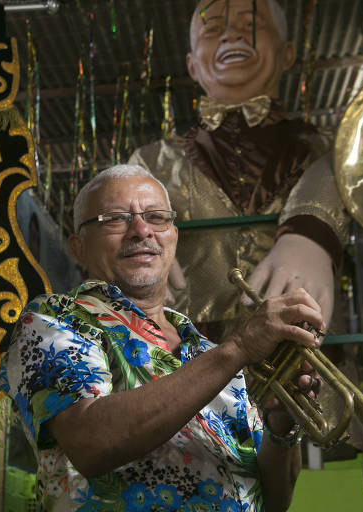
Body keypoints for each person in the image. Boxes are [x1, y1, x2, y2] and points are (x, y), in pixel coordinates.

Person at [0, 164, 325, 511]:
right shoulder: (52, 320)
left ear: (173, 236)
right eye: (114, 218)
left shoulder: (207, 351)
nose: (141, 230)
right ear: (79, 247)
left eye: (157, 217)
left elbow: (272, 502)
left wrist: (281, 424)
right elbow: (90, 443)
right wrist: (241, 347)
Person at [128, 0, 350, 340]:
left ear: (286, 53)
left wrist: (314, 232)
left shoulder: (334, 149)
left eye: (250, 27)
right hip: (192, 364)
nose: (231, 36)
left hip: (305, 360)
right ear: (191, 65)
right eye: (213, 30)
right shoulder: (149, 162)